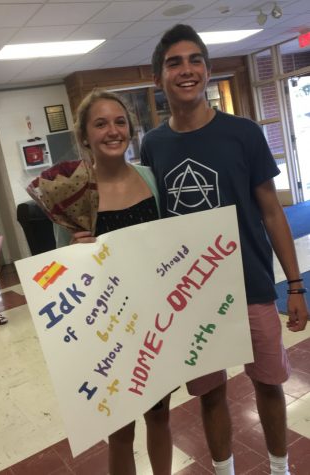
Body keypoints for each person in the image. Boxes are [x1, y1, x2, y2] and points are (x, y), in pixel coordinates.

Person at [140, 24, 309, 475]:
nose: (187, 69)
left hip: (251, 284)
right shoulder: (153, 146)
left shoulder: (244, 133)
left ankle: (279, 469)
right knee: (210, 393)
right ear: (159, 78)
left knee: (269, 384)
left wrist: (293, 286)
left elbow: (272, 211)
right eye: (174, 62)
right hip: (193, 295)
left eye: (195, 60)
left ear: (208, 72)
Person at [55, 89, 172, 475]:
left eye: (120, 121)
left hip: (154, 322)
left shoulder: (150, 178)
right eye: (101, 123)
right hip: (106, 332)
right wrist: (73, 252)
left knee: (159, 418)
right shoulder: (75, 195)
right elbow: (57, 275)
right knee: (120, 431)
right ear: (84, 135)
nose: (112, 130)